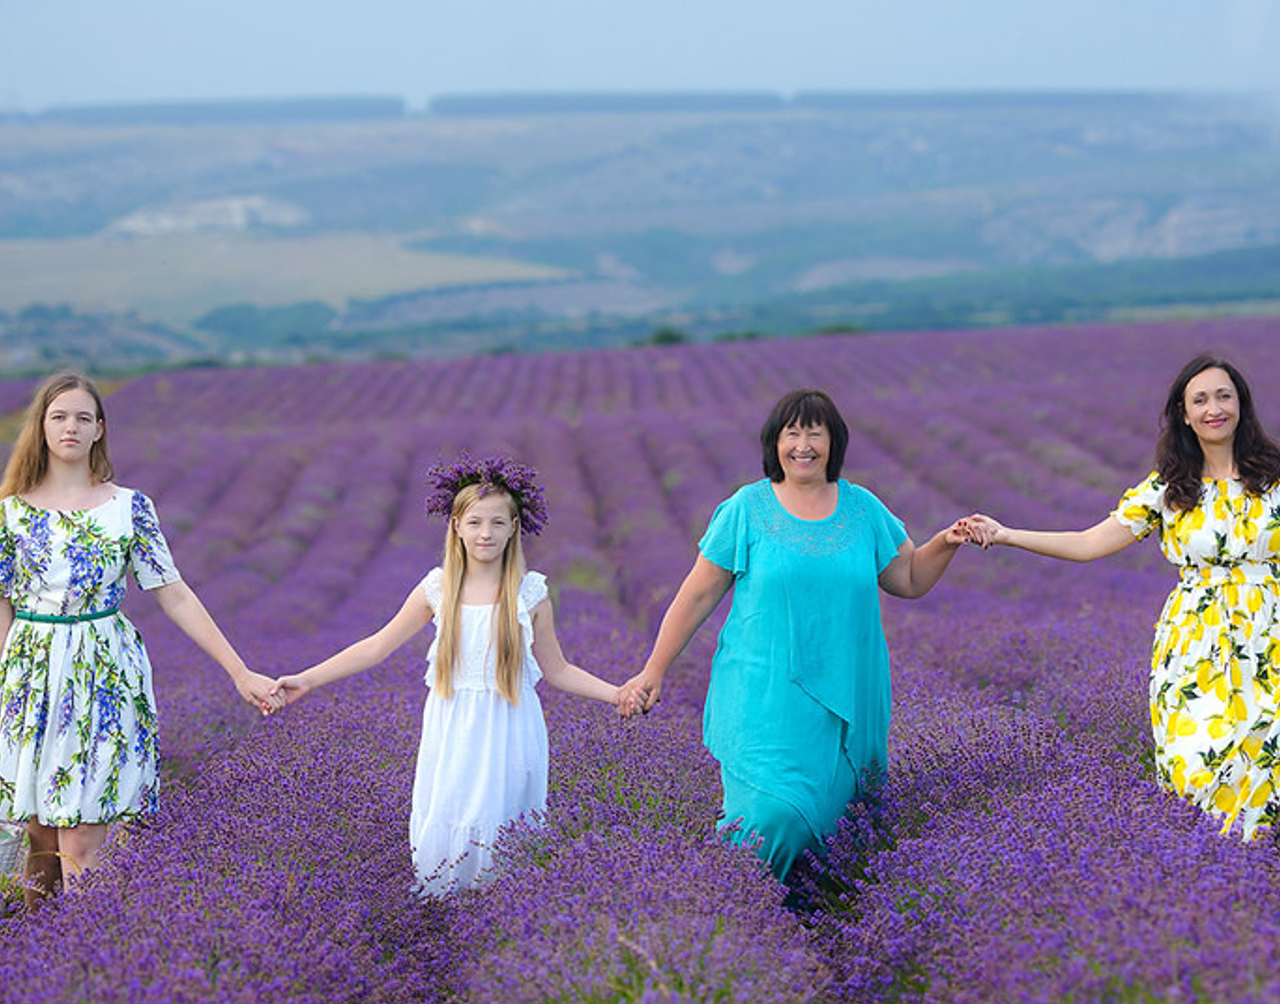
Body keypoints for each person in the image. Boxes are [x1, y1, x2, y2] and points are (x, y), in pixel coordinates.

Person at [620, 388, 974, 881]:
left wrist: (946, 542)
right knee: (772, 820)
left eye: (815, 432)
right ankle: (732, 912)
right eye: (792, 433)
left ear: (834, 442)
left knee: (834, 831)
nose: (803, 445)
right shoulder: (746, 508)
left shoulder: (863, 509)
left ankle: (801, 932)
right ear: (775, 442)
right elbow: (697, 595)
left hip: (845, 696)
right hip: (763, 698)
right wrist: (653, 670)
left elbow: (909, 579)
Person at [964, 353, 1280, 842]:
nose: (1214, 408)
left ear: (1242, 405)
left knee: (1268, 761)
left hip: (1270, 639)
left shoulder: (1274, 478)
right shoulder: (1170, 489)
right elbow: (1089, 543)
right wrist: (1007, 534)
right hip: (1196, 649)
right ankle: (1215, 881)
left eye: (1224, 396)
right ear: (1184, 414)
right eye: (1200, 400)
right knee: (1198, 763)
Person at [272, 455, 621, 894]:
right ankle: (444, 926)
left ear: (515, 527)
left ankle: (501, 928)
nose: (486, 533)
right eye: (475, 522)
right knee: (448, 828)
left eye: (498, 522)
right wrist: (307, 678)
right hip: (453, 731)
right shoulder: (437, 588)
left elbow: (559, 670)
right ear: (456, 526)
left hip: (510, 733)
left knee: (504, 833)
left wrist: (617, 694)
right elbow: (376, 645)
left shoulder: (529, 593)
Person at [0, 371, 281, 907]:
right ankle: (36, 956)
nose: (71, 427)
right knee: (38, 836)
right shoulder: (10, 513)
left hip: (104, 674)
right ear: (40, 426)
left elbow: (172, 591)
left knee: (83, 836)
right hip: (30, 677)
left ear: (100, 429)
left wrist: (239, 670)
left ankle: (89, 958)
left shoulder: (129, 508)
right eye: (59, 416)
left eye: (83, 417)